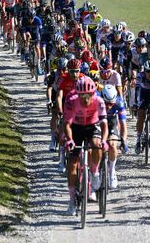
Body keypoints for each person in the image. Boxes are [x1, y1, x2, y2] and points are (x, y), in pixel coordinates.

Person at [63, 76, 108, 214]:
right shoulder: (72, 101)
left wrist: (104, 140)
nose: (85, 98)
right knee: (72, 164)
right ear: (77, 93)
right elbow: (67, 124)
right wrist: (69, 139)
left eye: (88, 94)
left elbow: (104, 124)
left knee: (96, 144)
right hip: (76, 128)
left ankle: (94, 172)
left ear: (93, 92)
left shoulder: (99, 101)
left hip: (92, 126)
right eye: (82, 95)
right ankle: (71, 201)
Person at [101, 84, 127, 188]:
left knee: (112, 144)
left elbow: (123, 124)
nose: (108, 107)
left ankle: (112, 171)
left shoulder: (119, 102)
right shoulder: (96, 99)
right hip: (98, 121)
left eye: (111, 104)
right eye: (106, 103)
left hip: (111, 122)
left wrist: (124, 140)